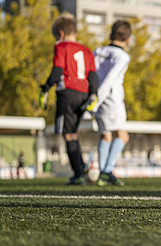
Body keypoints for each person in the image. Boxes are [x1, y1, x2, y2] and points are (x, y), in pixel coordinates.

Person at [39, 13, 99, 185]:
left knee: (68, 134)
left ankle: (78, 174)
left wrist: (46, 87)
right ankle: (81, 167)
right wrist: (93, 94)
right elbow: (93, 76)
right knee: (73, 132)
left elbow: (57, 71)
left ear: (61, 33)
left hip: (67, 92)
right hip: (84, 94)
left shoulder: (61, 46)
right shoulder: (87, 50)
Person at [93, 20, 132, 186]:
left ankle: (103, 173)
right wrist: (100, 97)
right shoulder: (123, 56)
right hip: (112, 99)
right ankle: (107, 170)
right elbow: (110, 78)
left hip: (97, 98)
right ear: (128, 39)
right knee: (123, 136)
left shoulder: (98, 51)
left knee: (106, 135)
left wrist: (94, 99)